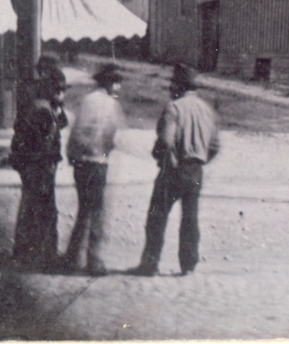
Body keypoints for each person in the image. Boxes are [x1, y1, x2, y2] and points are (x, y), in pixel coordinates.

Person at [134, 64, 219, 276]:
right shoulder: (207, 110)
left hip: (174, 169)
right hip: (196, 170)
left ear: (179, 86)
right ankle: (188, 265)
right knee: (190, 218)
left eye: (173, 84)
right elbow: (215, 145)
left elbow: (165, 140)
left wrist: (166, 158)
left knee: (157, 215)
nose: (171, 89)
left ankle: (150, 264)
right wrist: (200, 159)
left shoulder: (174, 108)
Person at [63, 62, 127, 275]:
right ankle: (94, 260)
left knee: (84, 209)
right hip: (98, 161)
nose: (118, 88)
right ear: (110, 83)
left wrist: (72, 155)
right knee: (98, 211)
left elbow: (76, 131)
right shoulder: (111, 105)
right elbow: (113, 134)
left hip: (80, 161)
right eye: (117, 83)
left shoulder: (87, 100)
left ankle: (73, 257)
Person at [9, 68, 68, 271]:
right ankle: (44, 256)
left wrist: (59, 108)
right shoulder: (42, 111)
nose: (63, 95)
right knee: (44, 210)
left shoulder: (41, 106)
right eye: (60, 90)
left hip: (31, 165)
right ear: (51, 90)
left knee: (30, 207)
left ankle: (25, 252)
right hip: (39, 166)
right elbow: (44, 144)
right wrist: (49, 165)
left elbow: (62, 123)